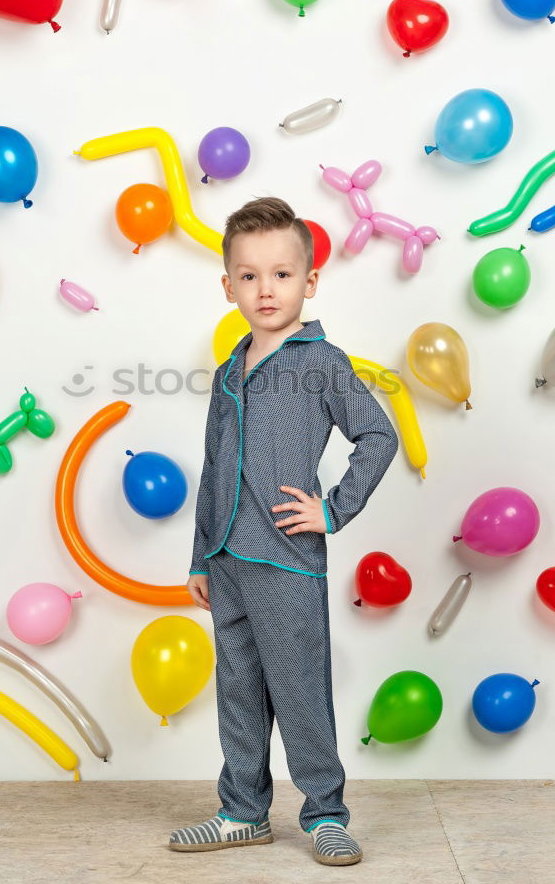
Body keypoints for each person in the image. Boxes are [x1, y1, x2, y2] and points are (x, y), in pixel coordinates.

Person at [169, 198, 398, 866]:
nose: (265, 289)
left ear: (309, 281)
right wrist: (199, 560)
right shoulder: (228, 372)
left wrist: (330, 511)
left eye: (281, 274)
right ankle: (243, 810)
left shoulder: (321, 361)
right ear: (229, 286)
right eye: (249, 276)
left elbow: (378, 435)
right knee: (238, 691)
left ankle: (325, 812)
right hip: (228, 562)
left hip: (287, 562)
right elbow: (215, 469)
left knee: (299, 690)